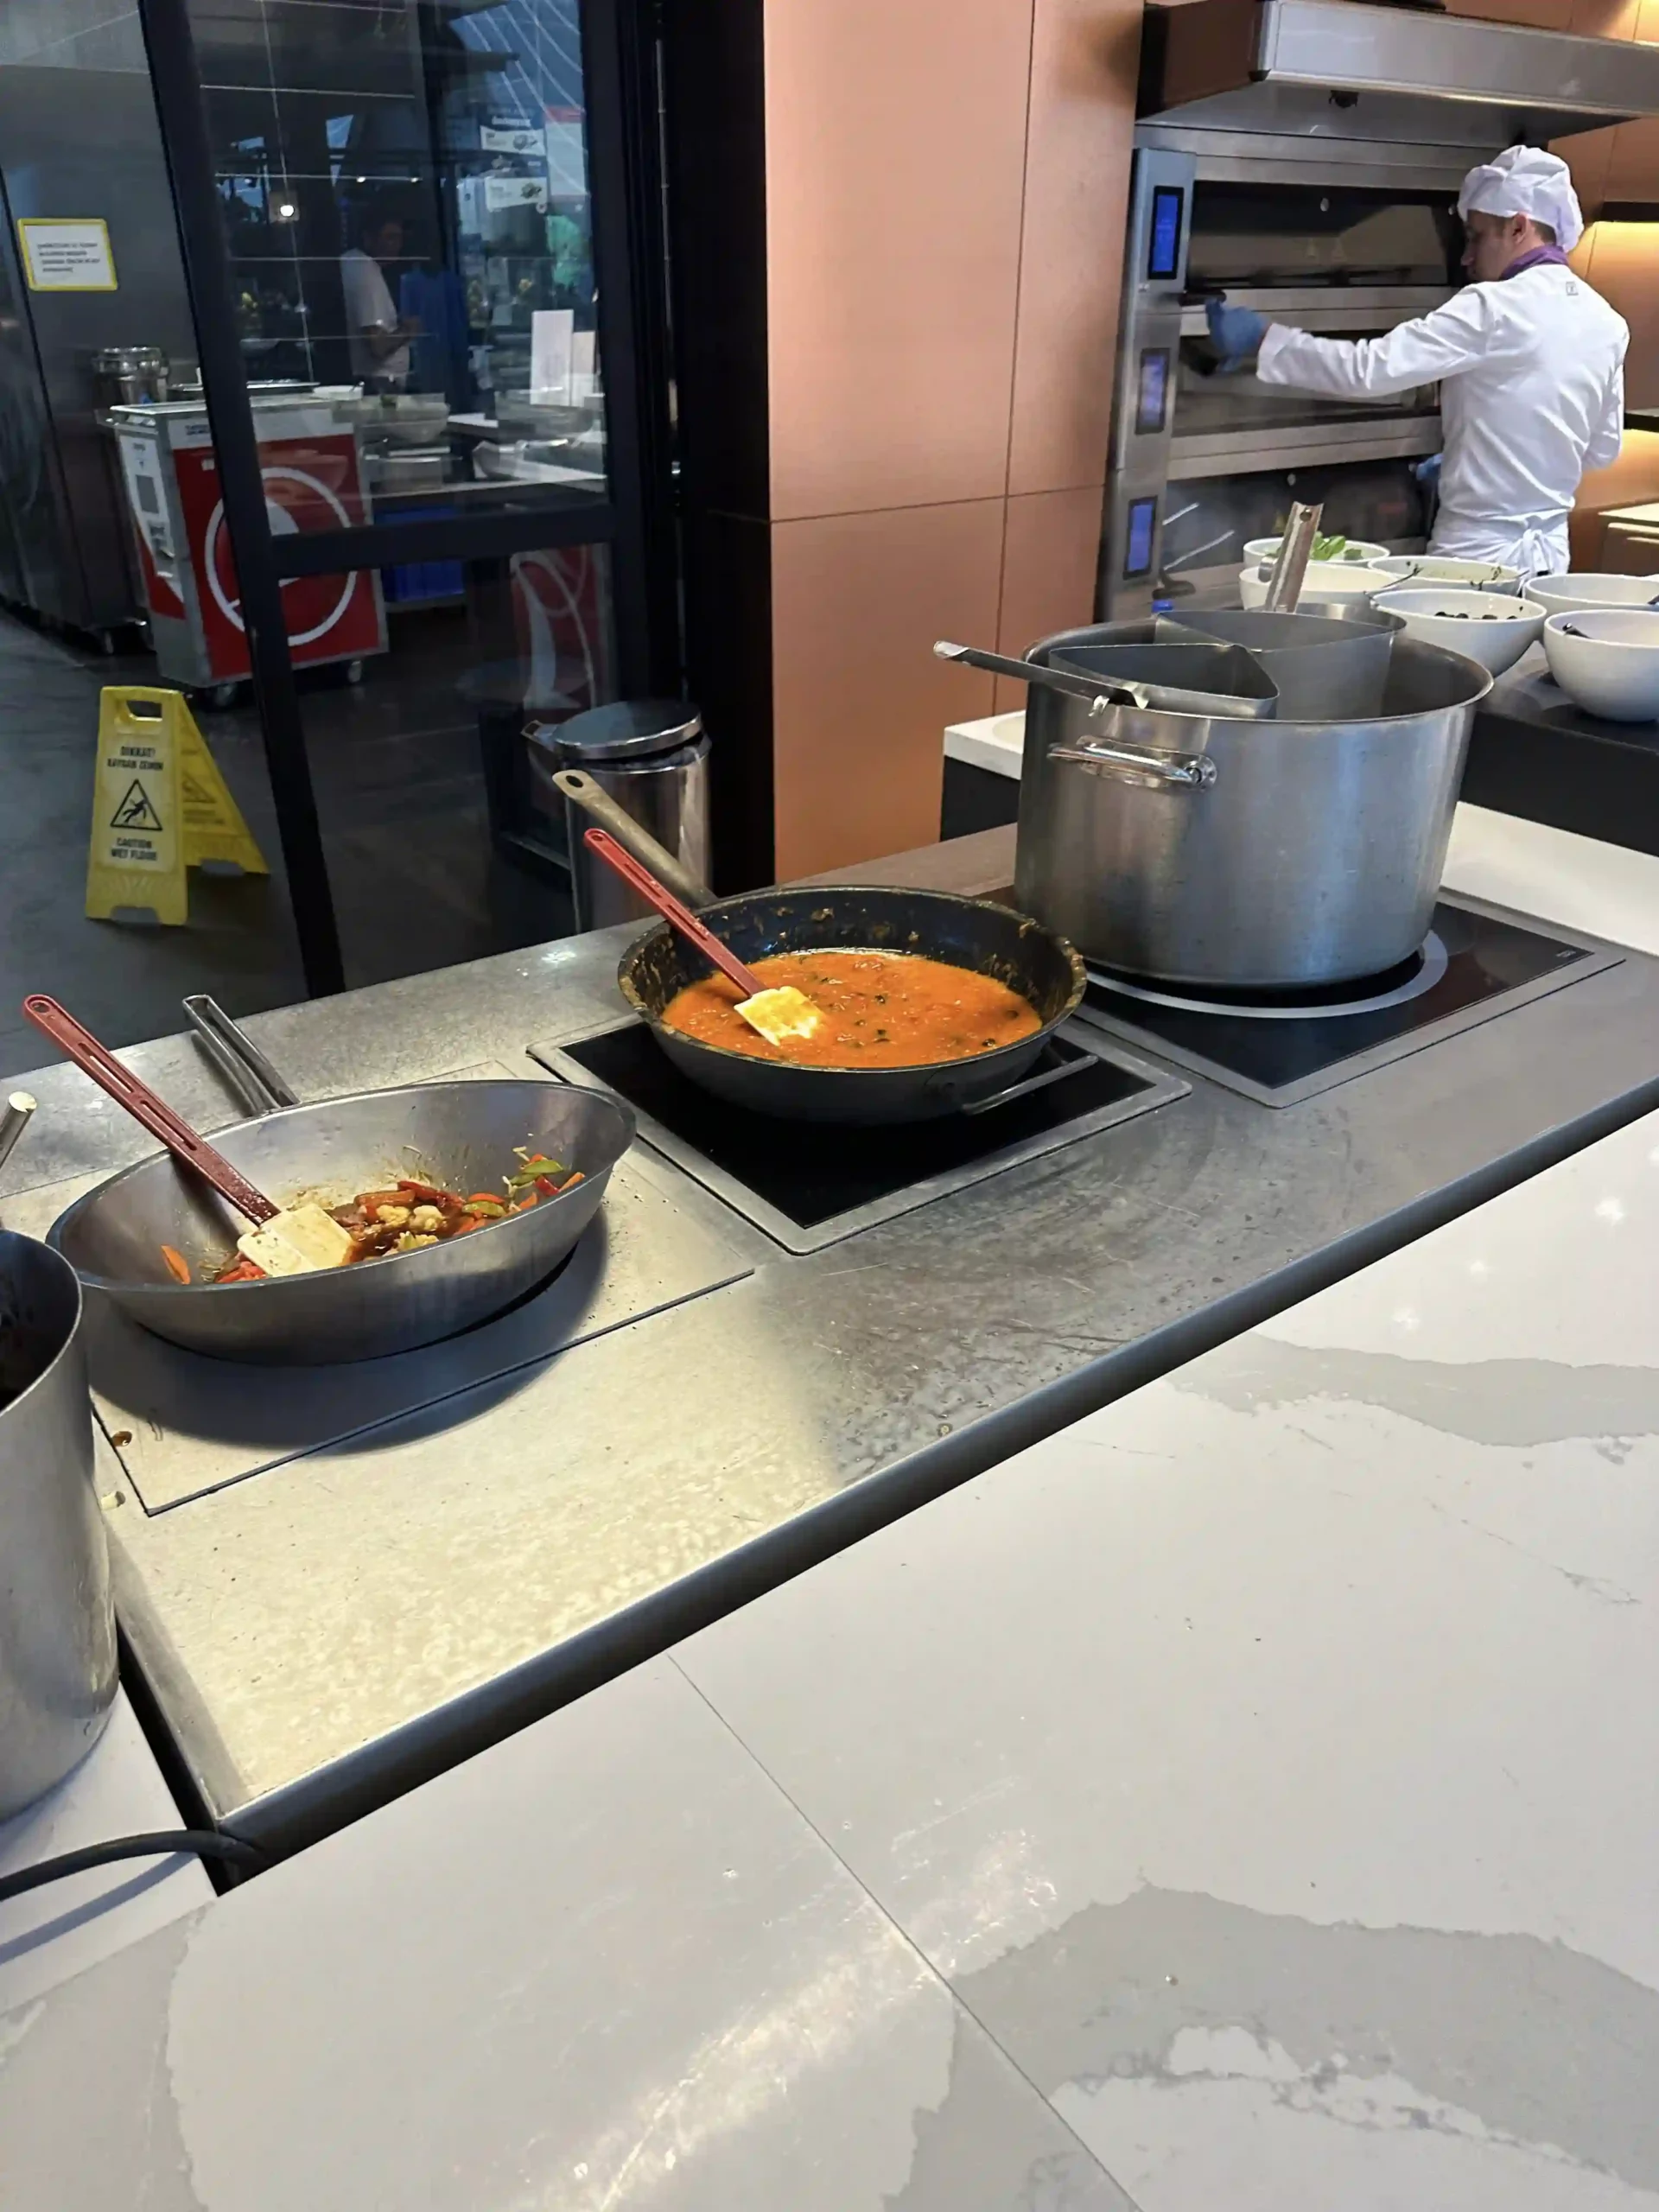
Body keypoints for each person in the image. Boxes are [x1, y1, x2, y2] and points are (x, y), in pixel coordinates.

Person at [1205, 147, 1627, 576]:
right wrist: (1488, 463)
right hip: (1551, 561)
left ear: (1519, 226)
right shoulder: (1607, 322)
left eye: (1476, 236)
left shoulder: (1493, 307)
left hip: (1473, 556)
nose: (1466, 257)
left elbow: (1367, 371)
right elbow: (1600, 451)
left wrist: (1263, 340)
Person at [340, 207, 418, 389]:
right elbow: (377, 345)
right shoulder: (365, 271)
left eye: (399, 238)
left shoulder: (350, 262)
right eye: (390, 237)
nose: (397, 245)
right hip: (380, 384)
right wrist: (408, 330)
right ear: (368, 238)